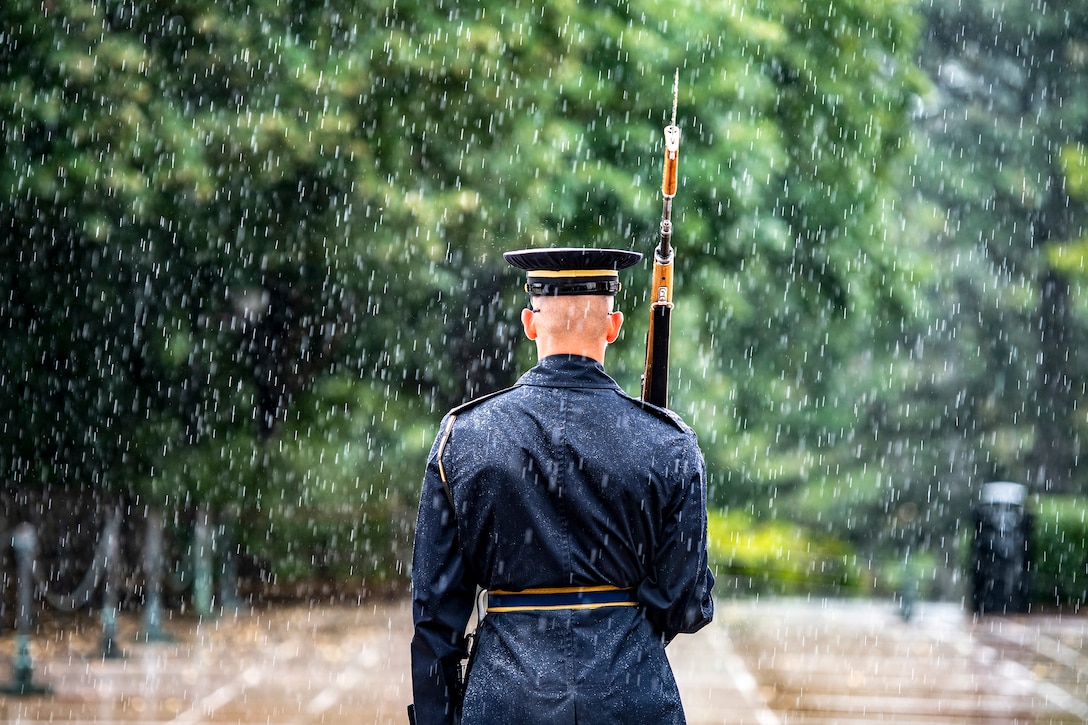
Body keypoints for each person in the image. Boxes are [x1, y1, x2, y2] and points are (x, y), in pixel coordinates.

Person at [410, 247, 715, 724]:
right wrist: (623, 622)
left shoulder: (464, 436)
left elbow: (435, 616)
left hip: (506, 698)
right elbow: (687, 604)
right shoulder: (668, 443)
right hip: (630, 697)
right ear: (613, 328)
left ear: (530, 323)